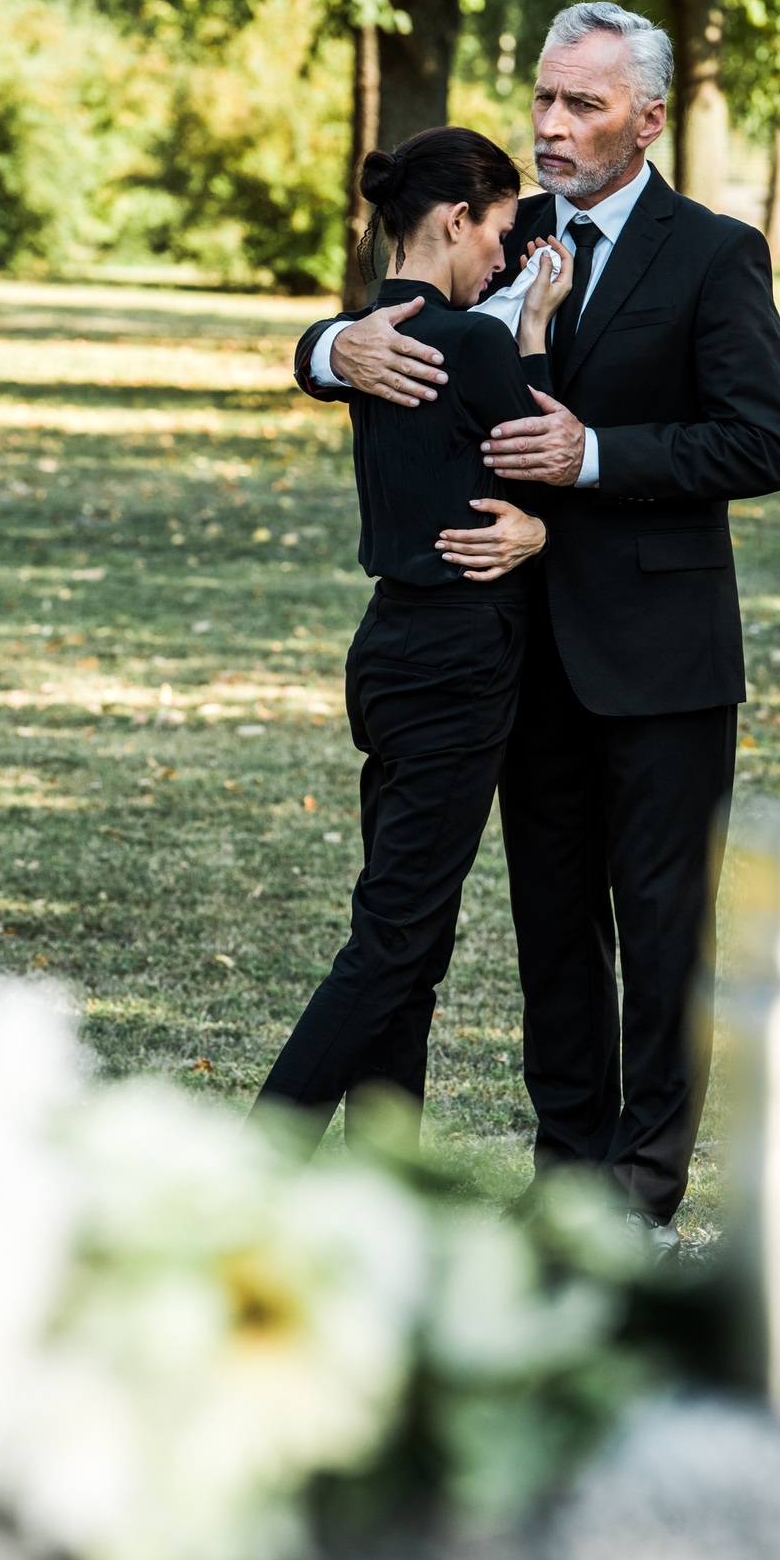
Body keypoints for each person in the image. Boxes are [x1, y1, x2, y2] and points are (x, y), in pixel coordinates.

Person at [294, 3, 780, 1245]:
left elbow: (756, 440)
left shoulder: (714, 252)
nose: (551, 124)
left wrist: (588, 458)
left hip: (660, 655)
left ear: (648, 118)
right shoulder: (492, 243)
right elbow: (386, 335)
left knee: (662, 928)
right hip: (510, 654)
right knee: (551, 926)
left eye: (580, 104)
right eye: (543, 98)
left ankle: (641, 1190)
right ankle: (566, 1179)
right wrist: (327, 347)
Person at [254, 126, 573, 1131]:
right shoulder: (473, 339)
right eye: (497, 233)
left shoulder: (369, 339)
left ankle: (374, 1186)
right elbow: (540, 446)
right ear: (454, 218)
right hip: (457, 657)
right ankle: (251, 1167)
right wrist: (531, 334)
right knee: (394, 942)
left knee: (405, 941)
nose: (504, 258)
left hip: (390, 648)